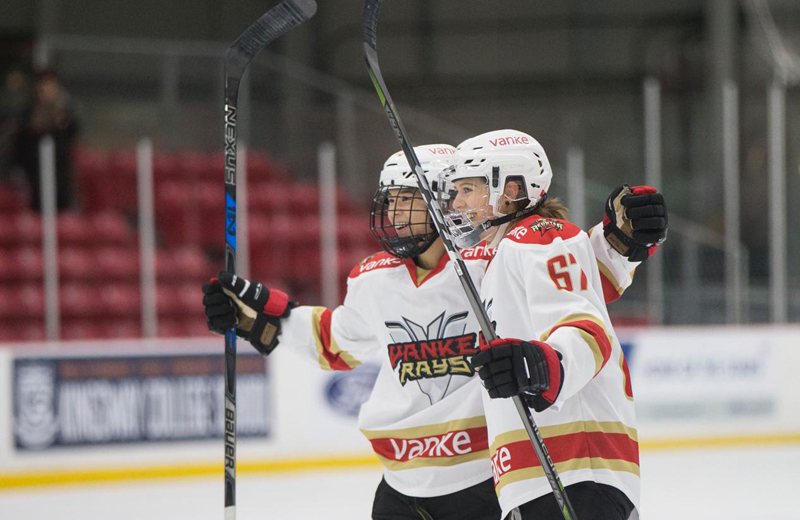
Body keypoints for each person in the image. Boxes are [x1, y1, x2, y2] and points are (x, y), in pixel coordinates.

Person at [202, 140, 667, 519]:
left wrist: (620, 238)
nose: (395, 212)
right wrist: (266, 321)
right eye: (392, 200)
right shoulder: (373, 277)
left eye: (410, 198)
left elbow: (572, 270)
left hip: (484, 480)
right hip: (402, 484)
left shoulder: (492, 258)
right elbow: (338, 340)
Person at [437, 129, 666, 519]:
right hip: (540, 476)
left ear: (510, 189)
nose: (456, 202)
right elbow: (593, 282)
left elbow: (585, 330)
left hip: (575, 469)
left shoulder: (539, 236)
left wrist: (543, 365)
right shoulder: (503, 252)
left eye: (468, 189)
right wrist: (616, 245)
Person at [17, 68, 79, 211]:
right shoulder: (28, 116)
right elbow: (21, 146)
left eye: (49, 85)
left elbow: (73, 134)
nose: (45, 90)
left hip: (61, 180)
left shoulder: (66, 114)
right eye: (42, 85)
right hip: (34, 180)